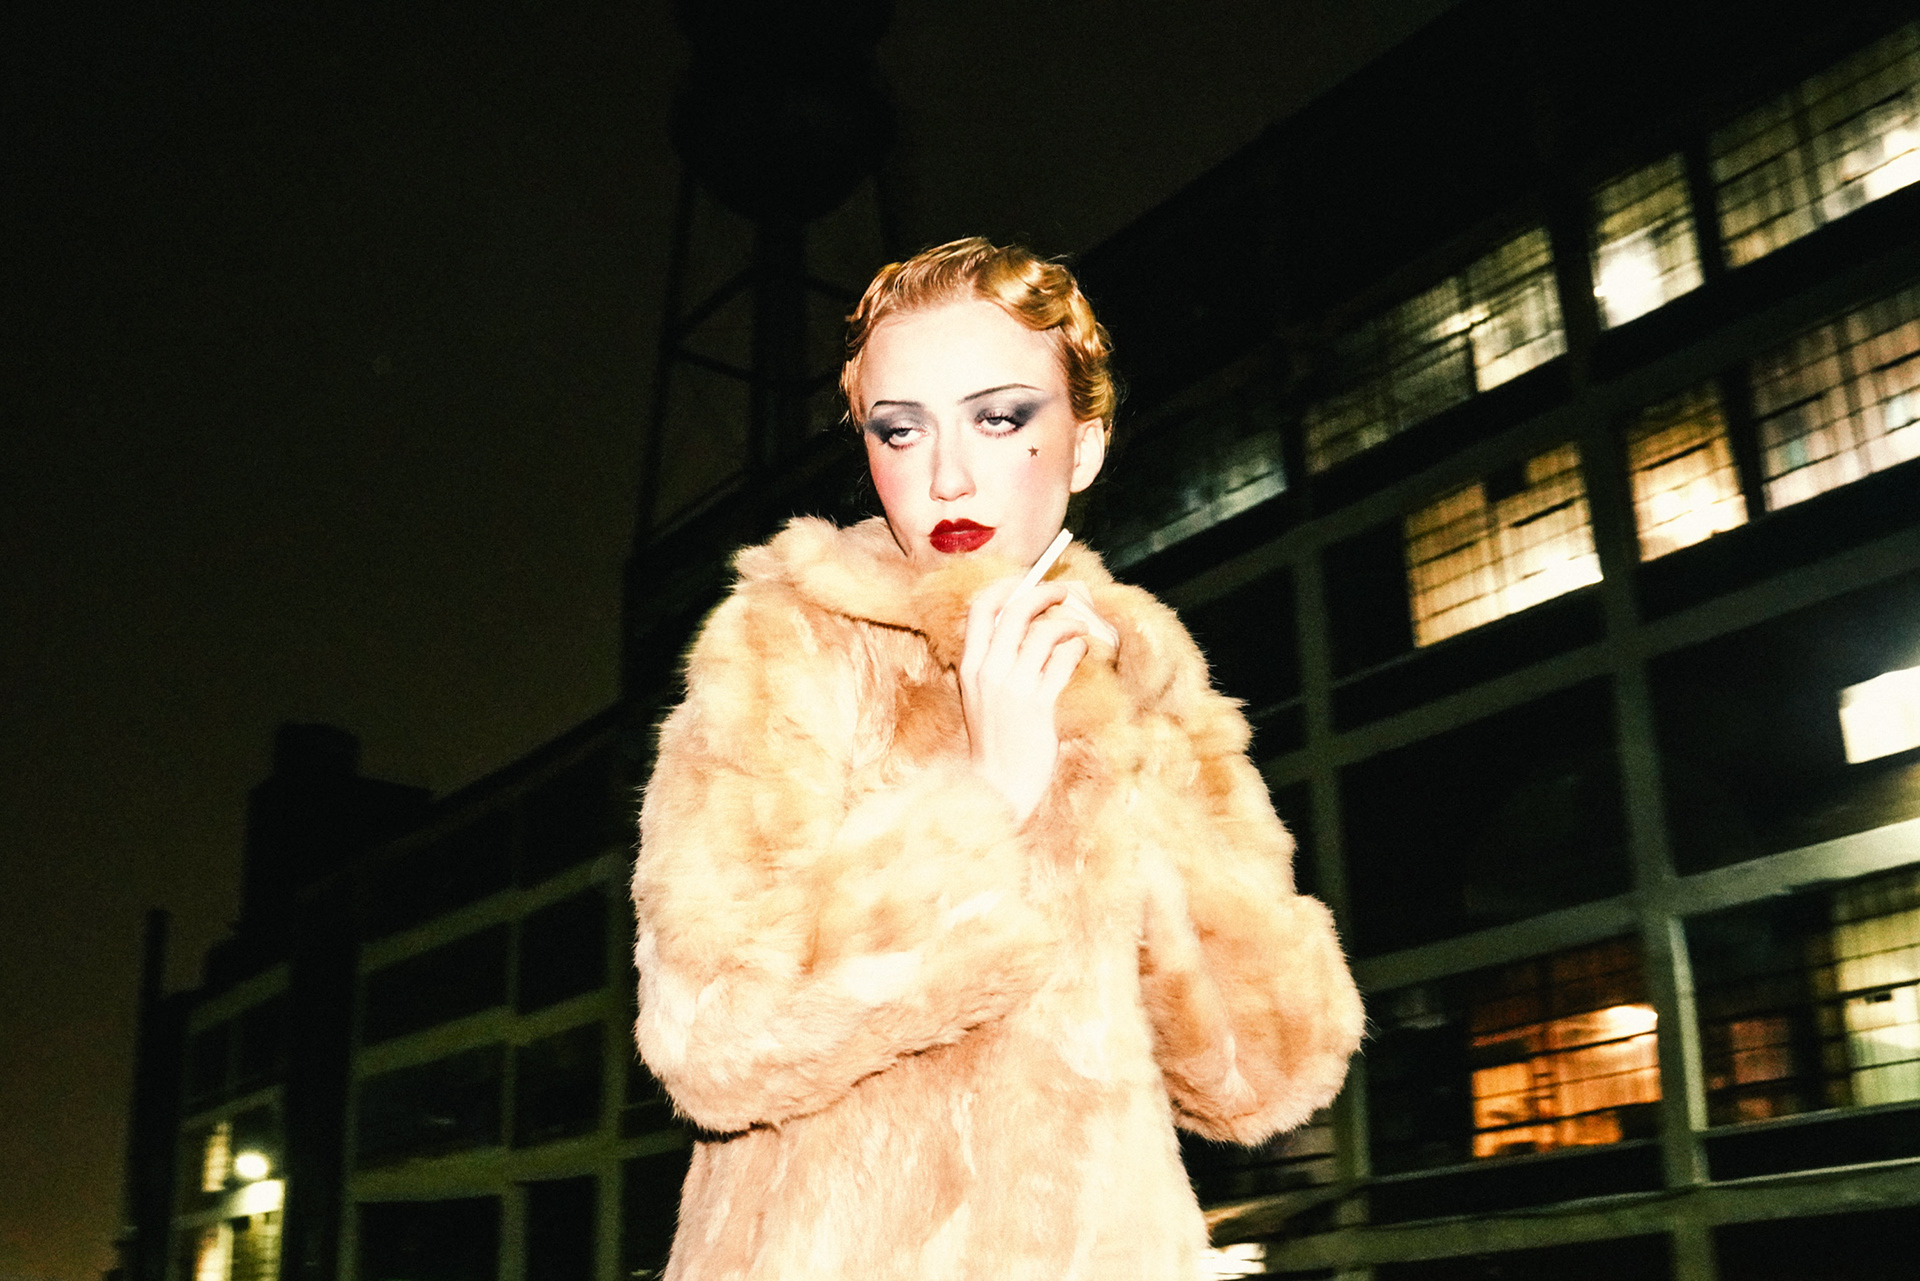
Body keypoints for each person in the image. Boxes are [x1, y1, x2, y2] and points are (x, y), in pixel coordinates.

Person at [631, 237, 1363, 1281]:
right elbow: (709, 1040)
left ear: (1085, 444)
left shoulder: (1143, 678)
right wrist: (987, 796)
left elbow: (1264, 1076)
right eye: (901, 429)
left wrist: (1119, 745)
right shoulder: (792, 641)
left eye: (1000, 417)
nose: (947, 475)